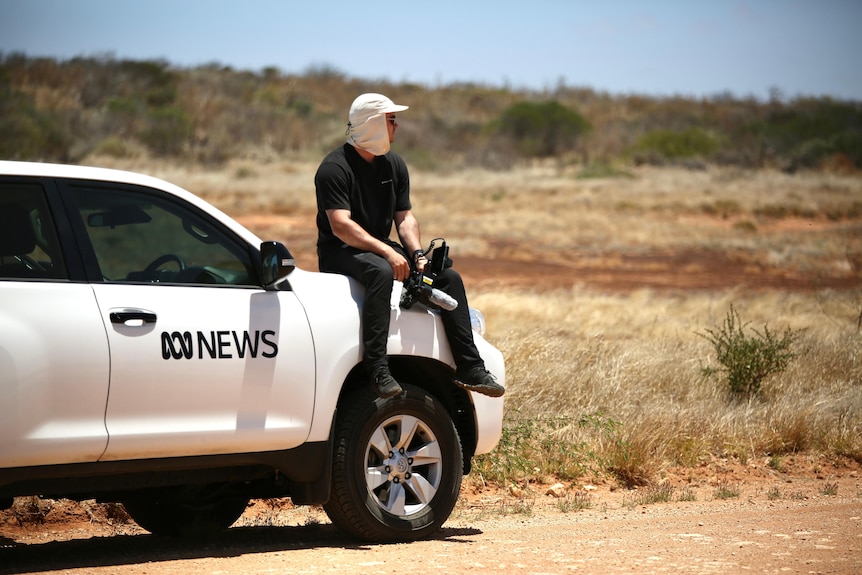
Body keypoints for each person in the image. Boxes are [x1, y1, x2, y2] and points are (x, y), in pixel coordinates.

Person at [315, 93, 505, 400]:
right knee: (379, 270)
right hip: (340, 250)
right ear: (374, 124)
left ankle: (470, 367)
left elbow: (404, 217)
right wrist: (389, 253)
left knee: (446, 278)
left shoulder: (394, 166)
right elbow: (341, 226)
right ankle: (377, 368)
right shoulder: (334, 168)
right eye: (391, 120)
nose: (397, 126)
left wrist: (416, 254)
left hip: (376, 245)